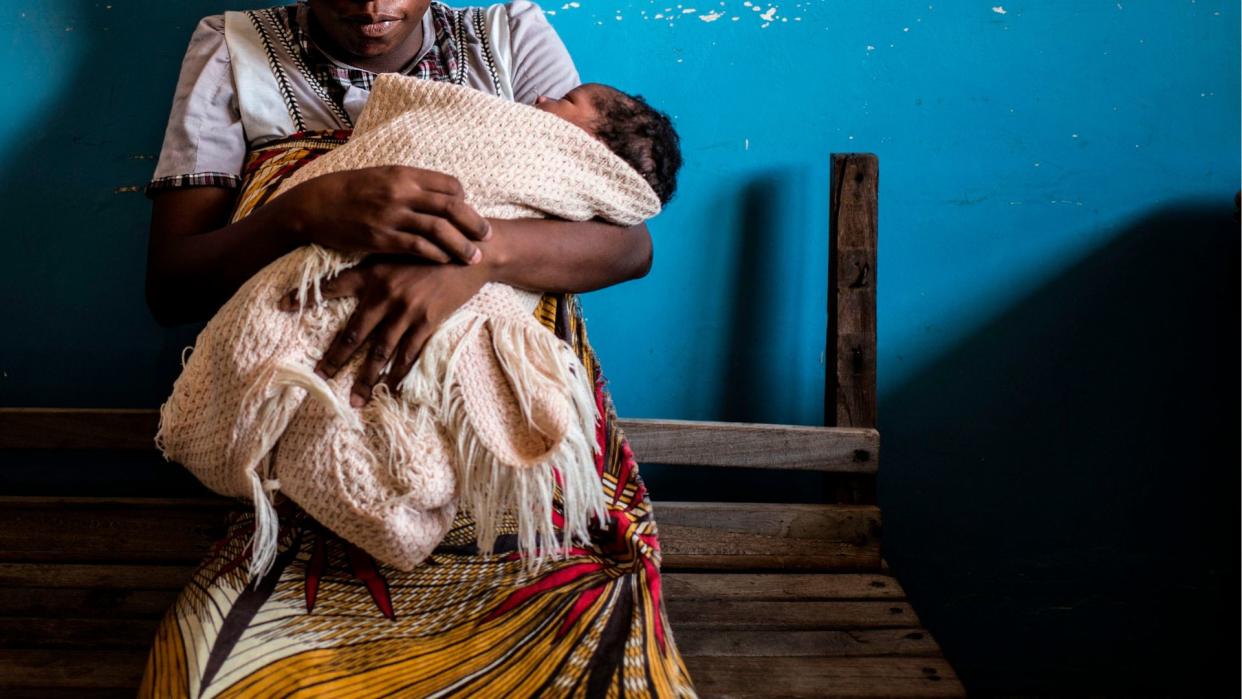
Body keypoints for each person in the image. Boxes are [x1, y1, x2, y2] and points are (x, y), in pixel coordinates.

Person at [139, 1, 698, 696]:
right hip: (299, 511)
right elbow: (172, 288)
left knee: (601, 665)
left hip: (514, 505)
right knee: (207, 676)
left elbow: (626, 235)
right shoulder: (233, 47)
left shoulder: (508, 34)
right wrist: (302, 210)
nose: (374, 6)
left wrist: (474, 259)